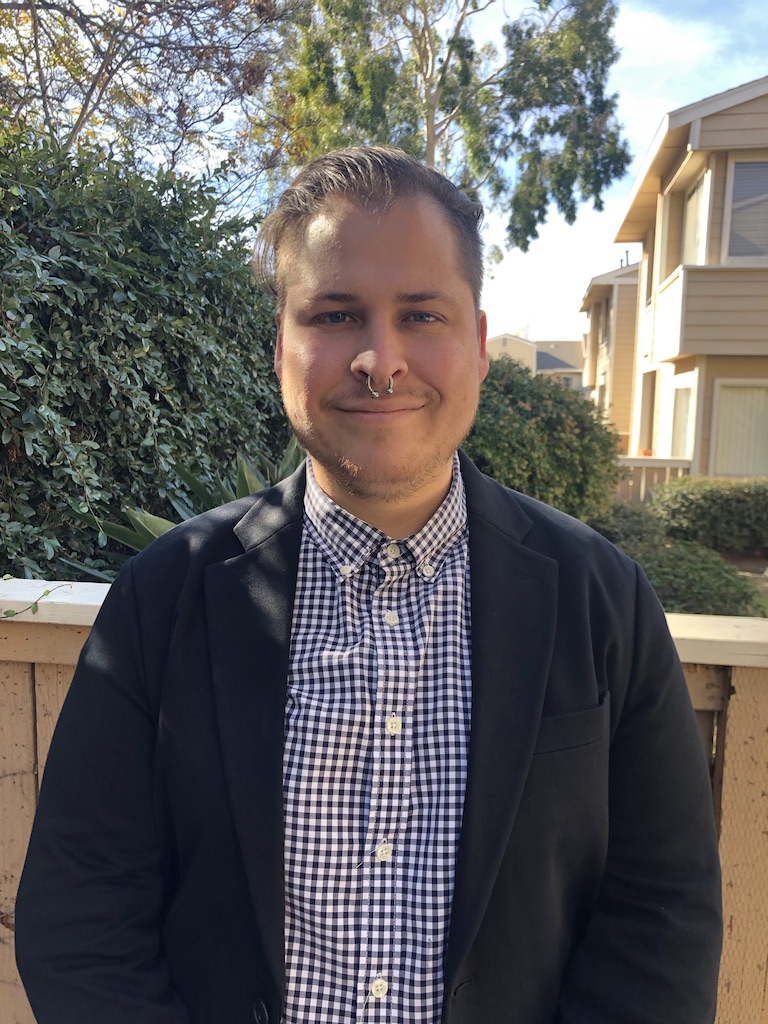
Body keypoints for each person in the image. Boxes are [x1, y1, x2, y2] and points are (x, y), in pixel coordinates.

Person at [15, 146, 722, 1024]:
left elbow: (664, 912)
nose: (379, 360)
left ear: (477, 343)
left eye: (421, 315)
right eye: (336, 315)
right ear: (282, 347)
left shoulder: (602, 599)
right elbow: (82, 910)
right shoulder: (163, 597)